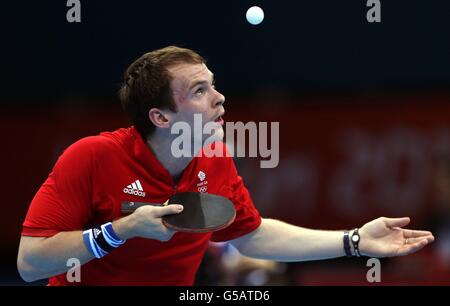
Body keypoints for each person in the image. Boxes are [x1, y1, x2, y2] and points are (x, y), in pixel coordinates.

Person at [17, 46, 435, 285]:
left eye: (213, 84)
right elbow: (30, 262)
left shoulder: (215, 159)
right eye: (200, 90)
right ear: (160, 118)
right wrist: (117, 233)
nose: (219, 98)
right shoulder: (91, 157)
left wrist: (355, 240)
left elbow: (250, 235)